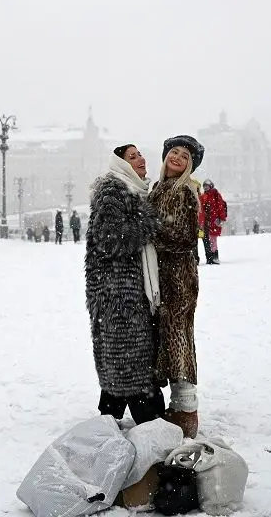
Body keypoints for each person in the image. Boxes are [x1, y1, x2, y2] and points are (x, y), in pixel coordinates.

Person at [86, 144, 165, 425]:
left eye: (140, 154)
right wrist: (149, 223)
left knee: (122, 356)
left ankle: (109, 414)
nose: (141, 159)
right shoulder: (113, 190)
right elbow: (110, 237)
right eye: (132, 157)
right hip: (117, 292)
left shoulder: (132, 189)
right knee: (131, 356)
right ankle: (150, 416)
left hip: (123, 290)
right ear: (121, 164)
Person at [150, 135, 204, 439]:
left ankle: (187, 409)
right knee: (167, 337)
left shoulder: (184, 191)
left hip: (179, 278)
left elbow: (184, 236)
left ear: (189, 166)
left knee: (178, 337)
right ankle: (177, 404)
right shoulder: (159, 188)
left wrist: (149, 233)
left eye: (184, 156)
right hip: (163, 276)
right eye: (174, 152)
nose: (177, 157)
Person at [199, 180, 228, 265]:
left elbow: (220, 207)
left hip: (214, 220)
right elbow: (201, 210)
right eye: (204, 186)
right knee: (207, 239)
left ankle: (214, 257)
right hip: (206, 221)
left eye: (207, 186)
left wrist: (221, 218)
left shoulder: (215, 194)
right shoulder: (203, 196)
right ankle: (211, 257)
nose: (205, 188)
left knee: (213, 239)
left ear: (211, 186)